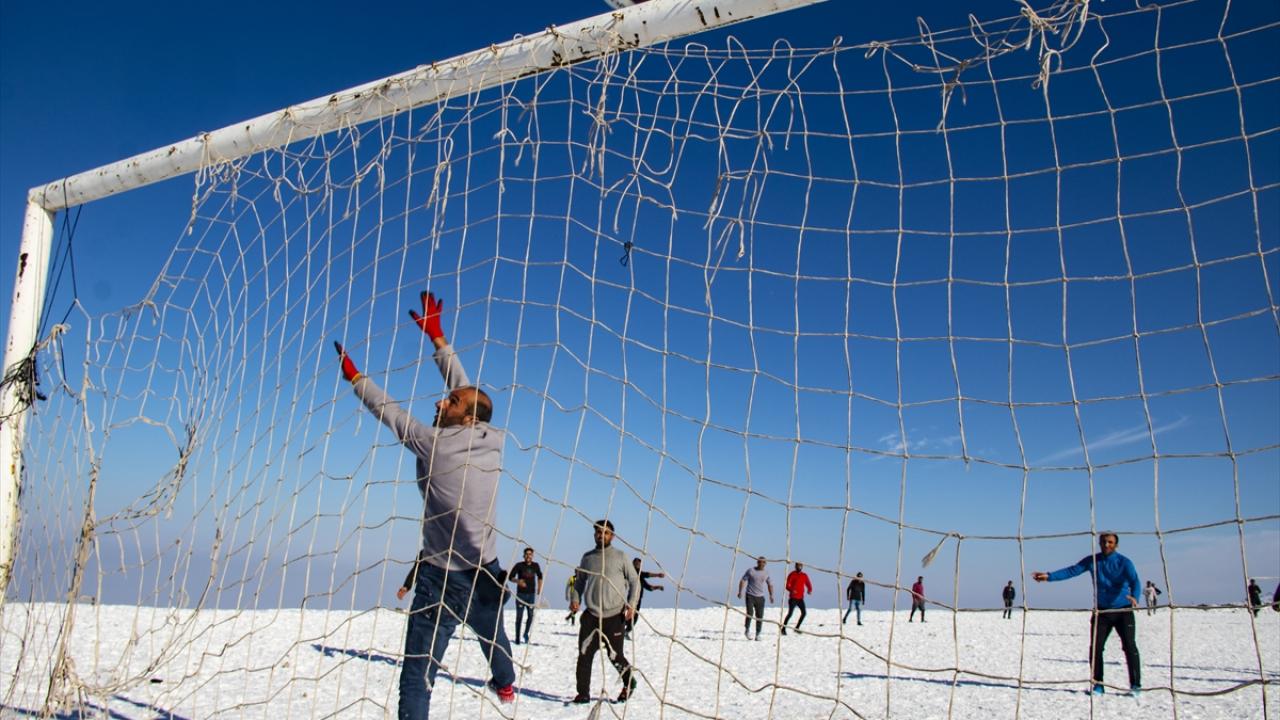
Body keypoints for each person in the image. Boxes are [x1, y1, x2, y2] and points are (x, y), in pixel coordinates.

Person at [335, 291, 515, 719]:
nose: (441, 400)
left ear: (466, 417)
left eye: (449, 402)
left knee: (417, 675)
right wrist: (439, 340)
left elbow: (390, 411)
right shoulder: (493, 438)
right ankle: (506, 684)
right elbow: (467, 392)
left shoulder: (432, 443)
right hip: (485, 573)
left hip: (440, 579)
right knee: (494, 638)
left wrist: (356, 378)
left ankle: (503, 681)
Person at [1033, 532, 1142, 697]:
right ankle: (1098, 684)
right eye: (1104, 542)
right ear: (1099, 543)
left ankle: (1135, 685)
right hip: (1101, 611)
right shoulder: (1093, 560)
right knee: (1096, 648)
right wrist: (1049, 577)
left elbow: (1135, 580)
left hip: (1123, 610)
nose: (1107, 545)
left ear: (1116, 545)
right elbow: (1072, 570)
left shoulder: (1124, 562)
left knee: (1129, 647)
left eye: (1110, 542)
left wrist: (1135, 596)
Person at [568, 520, 640, 704]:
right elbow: (580, 582)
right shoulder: (587, 557)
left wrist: (631, 604)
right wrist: (575, 600)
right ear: (594, 535)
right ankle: (583, 694)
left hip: (614, 616)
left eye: (606, 533)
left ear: (612, 536)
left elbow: (634, 581)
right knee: (584, 655)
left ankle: (628, 682)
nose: (602, 535)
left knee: (615, 656)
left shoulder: (621, 556)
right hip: (591, 615)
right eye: (598, 532)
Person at [507, 547, 543, 644]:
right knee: (519, 616)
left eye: (530, 554)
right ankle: (517, 638)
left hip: (531, 595)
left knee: (531, 615)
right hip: (521, 595)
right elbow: (510, 577)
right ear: (524, 555)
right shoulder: (519, 565)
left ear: (532, 556)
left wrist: (539, 588)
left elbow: (540, 576)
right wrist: (518, 581)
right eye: (526, 554)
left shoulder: (536, 565)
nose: (528, 556)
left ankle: (526, 633)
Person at [625, 557, 666, 635]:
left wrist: (658, 587)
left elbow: (648, 587)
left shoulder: (640, 577)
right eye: (636, 564)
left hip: (638, 600)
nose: (638, 565)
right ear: (633, 564)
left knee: (634, 619)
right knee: (630, 617)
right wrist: (657, 575)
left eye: (639, 564)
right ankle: (620, 630)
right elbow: (647, 574)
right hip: (632, 599)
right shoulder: (632, 572)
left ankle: (625, 632)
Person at [737, 556, 775, 640]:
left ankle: (758, 634)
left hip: (760, 597)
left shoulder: (766, 573)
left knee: (759, 616)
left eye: (763, 562)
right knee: (750, 613)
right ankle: (747, 630)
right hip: (750, 595)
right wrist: (740, 591)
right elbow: (743, 580)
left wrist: (771, 595)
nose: (761, 564)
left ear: (765, 563)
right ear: (757, 562)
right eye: (759, 562)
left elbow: (770, 584)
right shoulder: (751, 571)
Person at [782, 562, 812, 635]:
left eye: (800, 566)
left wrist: (809, 590)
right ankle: (783, 628)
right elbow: (787, 585)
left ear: (802, 566)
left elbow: (808, 583)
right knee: (790, 614)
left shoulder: (804, 575)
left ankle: (797, 628)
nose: (799, 567)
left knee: (804, 613)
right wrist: (792, 590)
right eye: (798, 565)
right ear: (795, 566)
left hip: (800, 598)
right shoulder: (792, 574)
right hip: (793, 598)